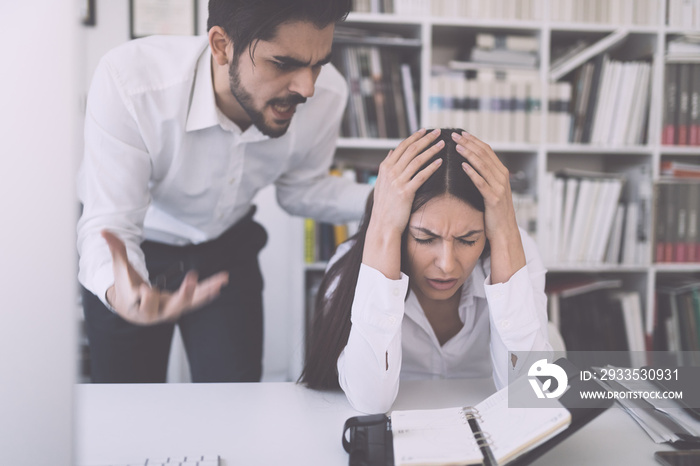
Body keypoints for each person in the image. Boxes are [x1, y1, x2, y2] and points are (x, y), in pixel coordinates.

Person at [76, 0, 372, 383]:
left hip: (227, 251)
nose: (307, 87)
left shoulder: (328, 95)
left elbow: (301, 189)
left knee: (235, 404)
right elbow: (110, 218)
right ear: (221, 46)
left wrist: (385, 201)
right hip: (134, 253)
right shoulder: (131, 82)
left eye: (318, 62)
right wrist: (120, 291)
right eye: (283, 63)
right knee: (126, 407)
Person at [299, 128, 552, 413]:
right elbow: (370, 401)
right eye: (424, 238)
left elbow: (533, 392)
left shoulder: (516, 251)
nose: (446, 264)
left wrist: (506, 232)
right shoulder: (349, 265)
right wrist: (381, 228)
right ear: (399, 229)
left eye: (468, 240)